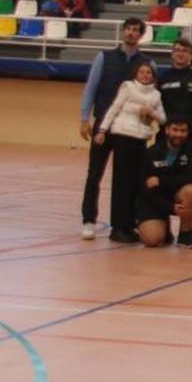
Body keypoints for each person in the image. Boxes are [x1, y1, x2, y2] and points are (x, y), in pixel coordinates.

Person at [77, 19, 150, 240]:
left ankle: (125, 223)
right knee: (94, 174)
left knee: (126, 178)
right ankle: (89, 220)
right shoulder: (104, 57)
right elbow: (91, 87)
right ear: (123, 32)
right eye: (128, 29)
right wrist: (84, 118)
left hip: (130, 129)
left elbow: (151, 96)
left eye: (136, 30)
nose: (131, 33)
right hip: (103, 125)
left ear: (140, 35)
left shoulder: (147, 63)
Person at [94, 60, 166, 242]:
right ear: (136, 74)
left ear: (153, 76)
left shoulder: (156, 95)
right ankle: (118, 227)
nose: (145, 75)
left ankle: (130, 225)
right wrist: (102, 130)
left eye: (148, 73)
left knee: (136, 184)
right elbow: (114, 108)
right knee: (121, 184)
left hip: (141, 140)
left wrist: (151, 112)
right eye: (142, 72)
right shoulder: (127, 87)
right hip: (123, 137)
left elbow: (164, 119)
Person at [136, 118, 192, 249]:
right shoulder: (151, 152)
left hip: (177, 195)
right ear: (167, 130)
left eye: (183, 131)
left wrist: (161, 181)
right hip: (154, 202)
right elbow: (147, 189)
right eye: (175, 130)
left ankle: (185, 233)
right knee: (152, 240)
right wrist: (170, 207)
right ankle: (163, 225)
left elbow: (191, 177)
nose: (179, 134)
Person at [157, 38, 192, 134]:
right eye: (177, 50)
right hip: (166, 131)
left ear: (191, 56)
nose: (180, 54)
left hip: (190, 132)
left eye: (185, 51)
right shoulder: (162, 78)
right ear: (172, 54)